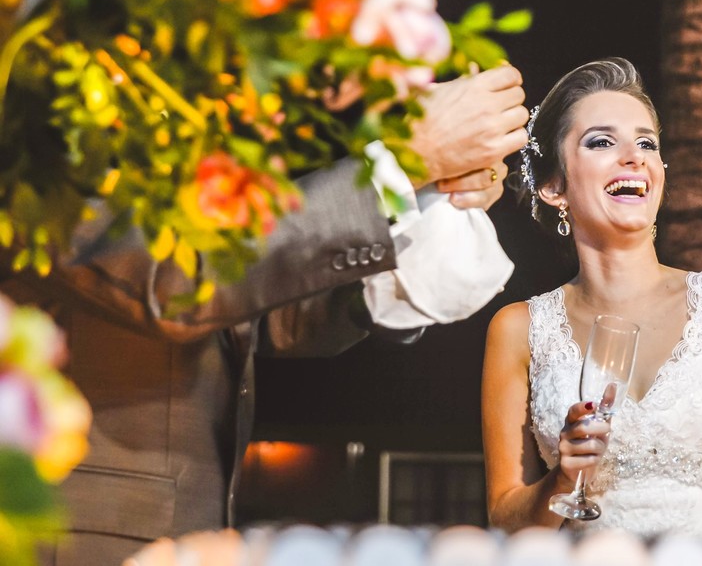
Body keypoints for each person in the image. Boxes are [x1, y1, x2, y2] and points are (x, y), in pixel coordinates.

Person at [1, 64, 529, 566]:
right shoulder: (30, 93)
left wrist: (416, 199)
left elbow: (262, 312)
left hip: (189, 526)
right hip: (73, 530)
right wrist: (398, 164)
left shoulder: (180, 107)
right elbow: (176, 283)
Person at [481, 58, 702, 539]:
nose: (634, 156)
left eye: (646, 143)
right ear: (554, 186)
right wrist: (562, 480)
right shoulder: (519, 329)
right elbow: (505, 517)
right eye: (601, 141)